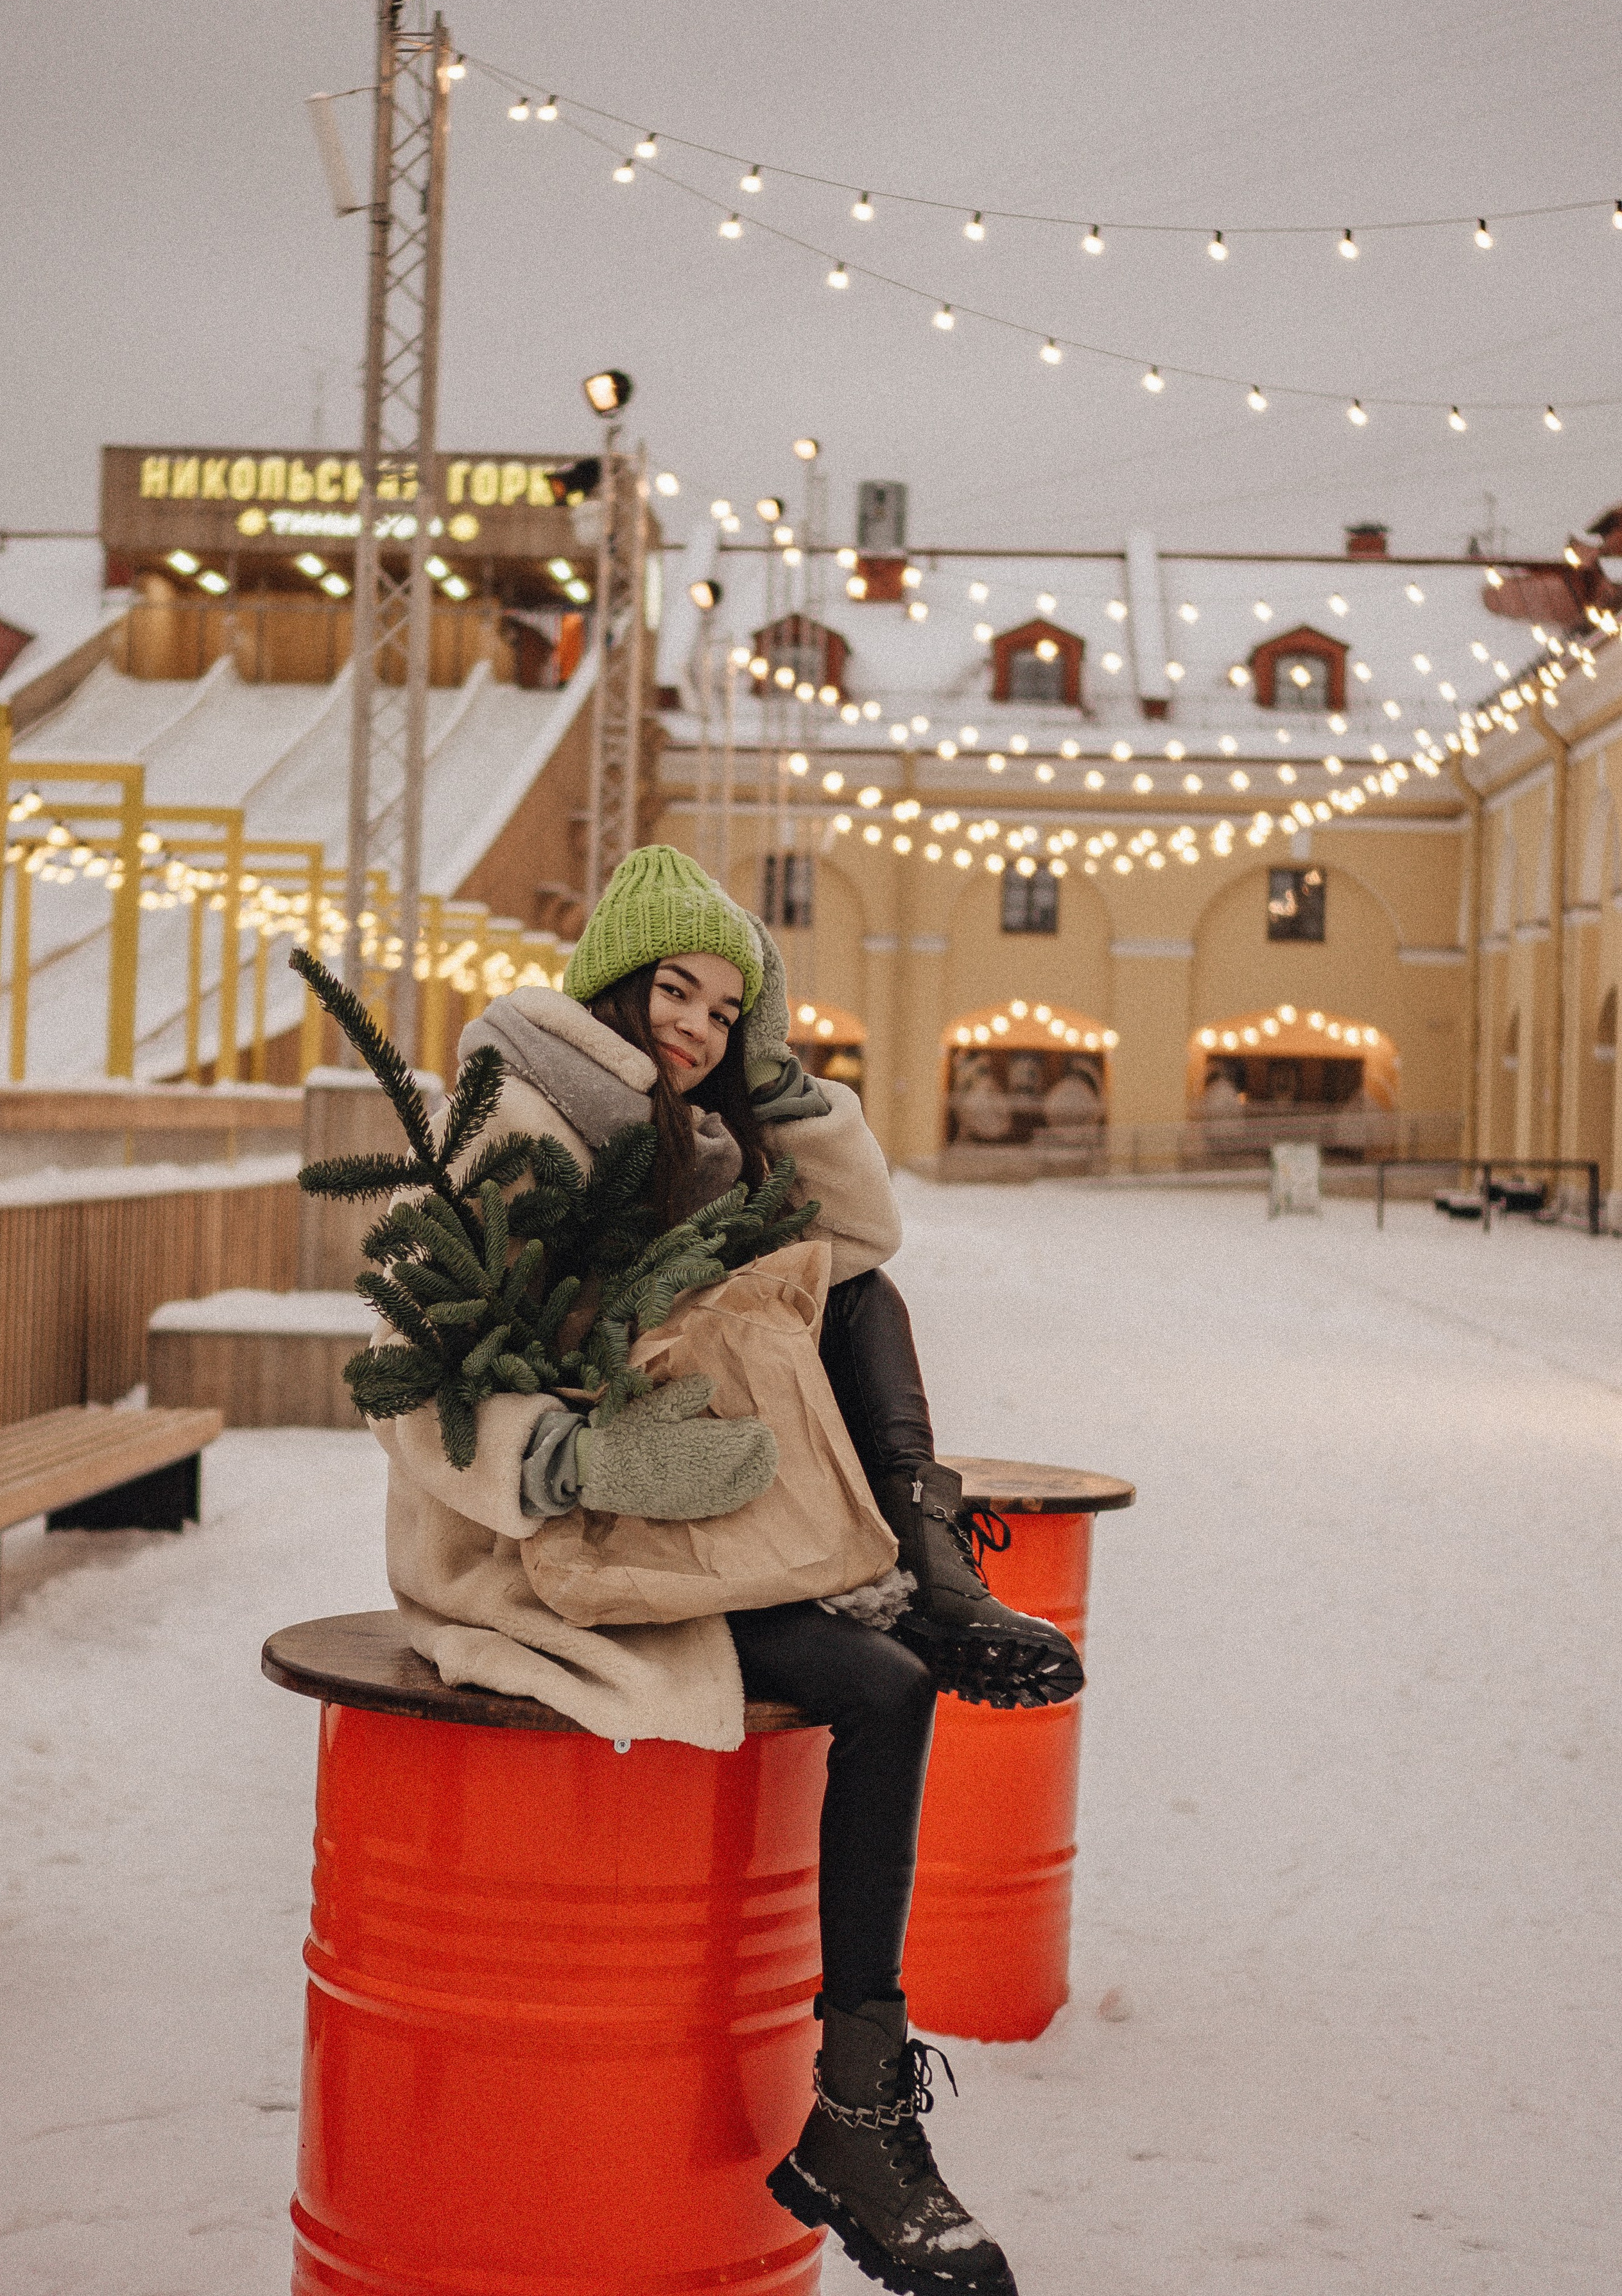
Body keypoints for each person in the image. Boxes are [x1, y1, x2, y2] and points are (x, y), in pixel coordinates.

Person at [381, 846, 1077, 2296]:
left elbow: (863, 1236)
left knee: (862, 1307)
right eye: (676, 993)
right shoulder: (513, 1120)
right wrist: (575, 1461)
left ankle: (930, 1576)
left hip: (701, 1535)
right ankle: (859, 2123)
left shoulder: (700, 1139)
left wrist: (782, 1087)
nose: (696, 1028)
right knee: (882, 1688)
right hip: (556, 1546)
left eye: (725, 1009)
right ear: (613, 983)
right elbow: (406, 1364)